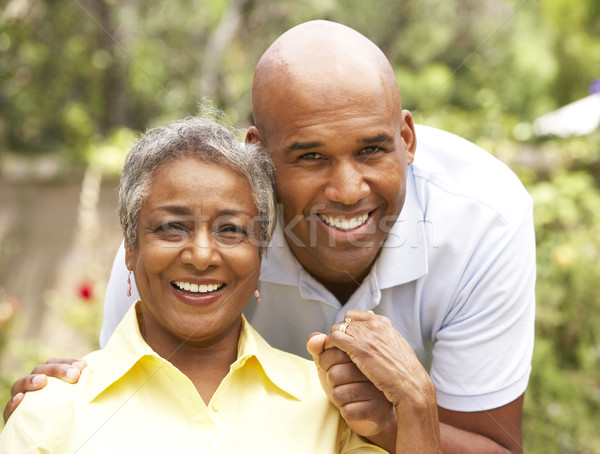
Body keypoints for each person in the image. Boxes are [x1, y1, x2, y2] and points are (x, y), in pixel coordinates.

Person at [5, 20, 535, 453]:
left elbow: (496, 445)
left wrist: (401, 417)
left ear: (407, 138)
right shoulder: (167, 252)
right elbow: (125, 397)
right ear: (258, 152)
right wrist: (58, 407)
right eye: (311, 157)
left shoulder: (484, 220)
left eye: (372, 150)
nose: (349, 190)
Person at [0, 116, 423, 452]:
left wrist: (416, 404)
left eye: (231, 230)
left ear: (260, 254)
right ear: (130, 247)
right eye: (171, 227)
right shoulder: (51, 412)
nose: (202, 256)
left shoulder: (330, 406)